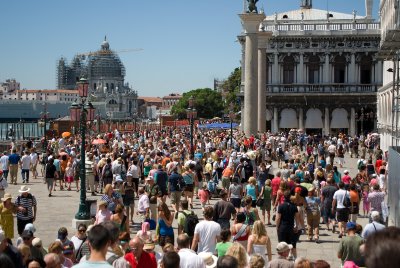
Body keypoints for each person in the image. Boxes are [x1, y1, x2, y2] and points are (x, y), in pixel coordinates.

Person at [275, 190, 300, 259]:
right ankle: (295, 259)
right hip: (291, 227)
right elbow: (297, 217)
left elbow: (278, 218)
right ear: (290, 197)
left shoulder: (281, 206)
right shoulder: (294, 206)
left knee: (282, 244)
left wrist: (277, 227)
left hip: (282, 227)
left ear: (284, 197)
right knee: (293, 244)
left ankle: (282, 258)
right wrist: (296, 226)